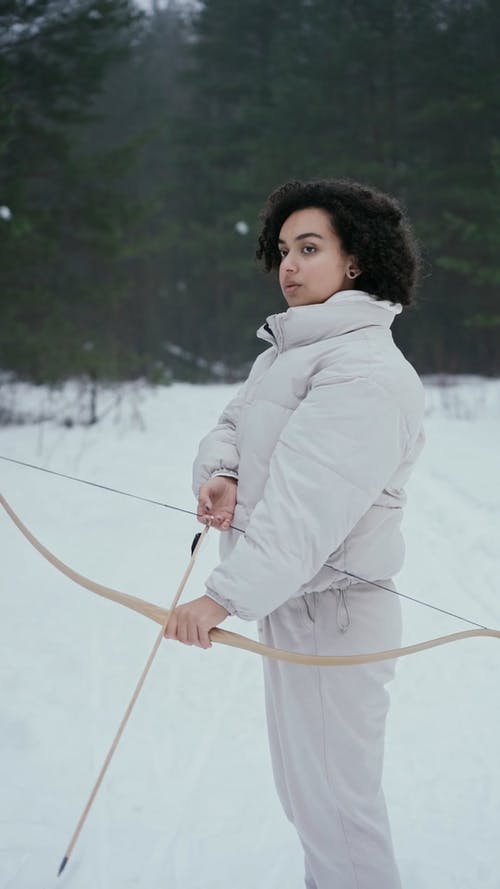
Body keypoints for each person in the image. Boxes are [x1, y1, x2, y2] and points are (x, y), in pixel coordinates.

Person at [165, 178, 425, 889]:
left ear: (356, 262)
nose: (289, 265)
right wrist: (224, 472)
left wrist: (217, 600)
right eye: (283, 249)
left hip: (335, 611)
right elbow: (234, 424)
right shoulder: (288, 352)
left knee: (339, 812)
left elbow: (304, 511)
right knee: (311, 803)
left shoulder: (363, 370)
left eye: (309, 248)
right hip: (296, 605)